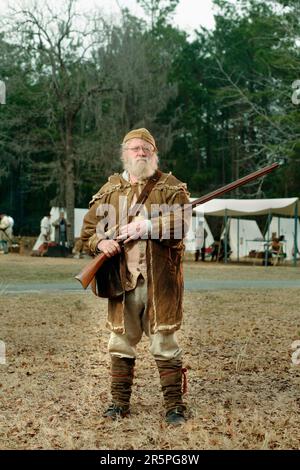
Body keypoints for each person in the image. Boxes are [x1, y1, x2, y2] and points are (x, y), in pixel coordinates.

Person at [81, 128, 191, 425]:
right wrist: (100, 243)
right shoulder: (109, 191)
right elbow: (87, 234)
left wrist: (148, 227)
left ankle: (174, 407)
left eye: (146, 148)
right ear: (124, 154)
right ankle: (118, 404)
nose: (140, 152)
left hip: (161, 283)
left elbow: (181, 225)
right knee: (120, 342)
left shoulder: (172, 188)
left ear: (155, 154)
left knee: (165, 342)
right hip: (122, 283)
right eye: (134, 148)